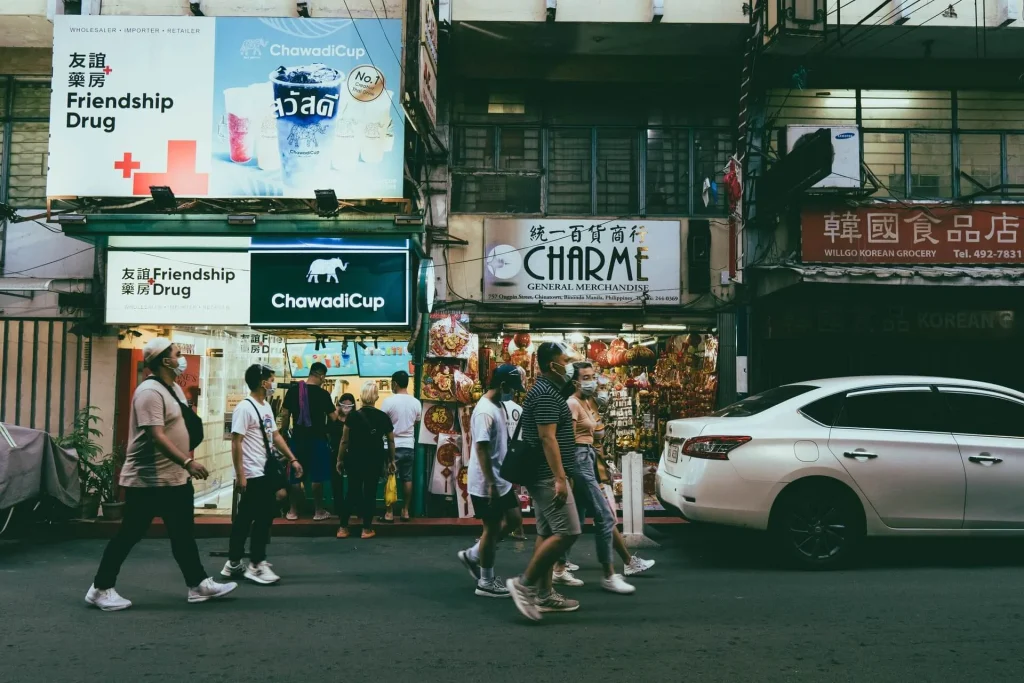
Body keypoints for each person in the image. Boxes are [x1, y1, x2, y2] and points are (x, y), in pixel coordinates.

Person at [86, 338, 237, 611]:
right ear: (165, 361)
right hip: (149, 481)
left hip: (174, 478)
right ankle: (100, 588)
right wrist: (186, 461)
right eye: (178, 354)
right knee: (129, 534)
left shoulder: (174, 388)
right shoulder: (149, 393)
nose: (182, 359)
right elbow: (155, 436)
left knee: (183, 534)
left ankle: (198, 585)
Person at [507, 342, 582, 621]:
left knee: (548, 533)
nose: (569, 364)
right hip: (546, 475)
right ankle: (523, 585)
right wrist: (560, 479)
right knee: (568, 532)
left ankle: (544, 595)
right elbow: (547, 438)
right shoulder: (546, 395)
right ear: (553, 365)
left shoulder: (547, 391)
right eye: (565, 360)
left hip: (544, 473)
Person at [568, 361, 655, 594]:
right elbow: (565, 439)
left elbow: (596, 434)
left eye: (592, 376)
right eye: (585, 377)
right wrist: (565, 474)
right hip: (579, 461)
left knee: (575, 519)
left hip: (589, 460)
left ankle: (557, 565)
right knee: (605, 517)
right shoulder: (572, 404)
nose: (591, 381)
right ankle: (609, 573)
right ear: (575, 380)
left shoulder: (588, 402)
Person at [222, 364, 304, 585]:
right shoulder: (244, 408)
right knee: (262, 515)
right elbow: (236, 442)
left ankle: (233, 561)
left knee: (247, 516)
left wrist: (292, 458)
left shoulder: (265, 406)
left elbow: (275, 436)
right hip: (252, 472)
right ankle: (256, 564)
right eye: (271, 379)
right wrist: (241, 475)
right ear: (261, 382)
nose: (273, 382)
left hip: (264, 469)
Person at [457, 364, 525, 598]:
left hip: (500, 478)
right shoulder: (485, 410)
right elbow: (482, 449)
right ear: (503, 385)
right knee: (491, 528)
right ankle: (485, 581)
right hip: (488, 481)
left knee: (515, 519)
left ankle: (474, 554)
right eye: (513, 389)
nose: (514, 394)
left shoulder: (499, 406)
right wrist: (490, 483)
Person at [336, 381, 396, 539]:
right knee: (370, 492)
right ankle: (366, 529)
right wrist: (391, 460)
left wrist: (339, 460)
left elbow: (344, 440)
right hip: (374, 459)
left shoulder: (353, 416)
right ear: (376, 397)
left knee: (352, 491)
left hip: (354, 458)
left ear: (361, 396)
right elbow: (390, 440)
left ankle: (342, 528)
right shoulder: (383, 417)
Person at [279, 362, 339, 521]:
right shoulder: (323, 394)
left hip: (297, 439)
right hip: (318, 440)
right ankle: (318, 511)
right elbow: (334, 418)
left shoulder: (293, 391)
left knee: (295, 476)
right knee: (316, 477)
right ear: (321, 375)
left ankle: (293, 511)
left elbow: (285, 415)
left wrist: (284, 432)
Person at [380, 370, 422, 522]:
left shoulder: (388, 402)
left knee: (390, 477)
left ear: (395, 384)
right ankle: (405, 511)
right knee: (407, 479)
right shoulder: (416, 402)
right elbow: (417, 421)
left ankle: (389, 512)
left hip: (392, 446)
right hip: (409, 445)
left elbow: (382, 423)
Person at [330, 393, 357, 536]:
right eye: (343, 404)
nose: (346, 407)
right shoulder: (333, 418)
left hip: (351, 454)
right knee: (337, 483)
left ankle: (354, 509)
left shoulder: (355, 419)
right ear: (339, 404)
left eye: (349, 404)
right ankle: (339, 510)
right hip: (335, 454)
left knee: (353, 483)